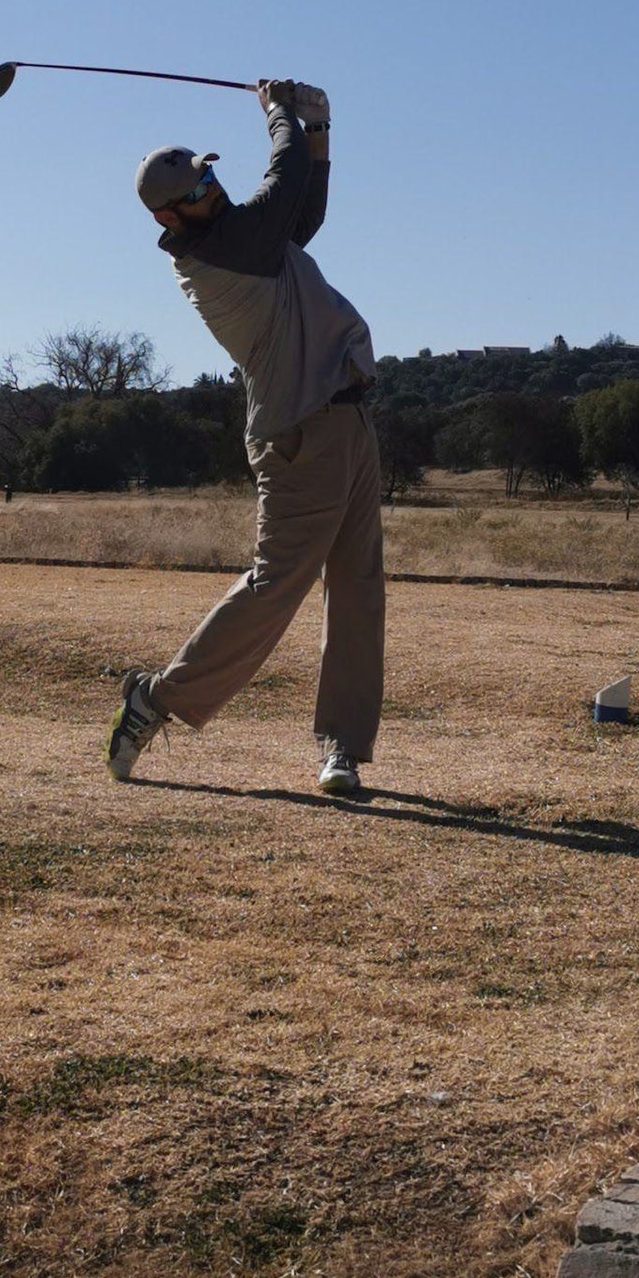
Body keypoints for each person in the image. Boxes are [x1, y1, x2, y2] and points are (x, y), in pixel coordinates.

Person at [106, 79, 385, 796]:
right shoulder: (220, 251)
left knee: (357, 588)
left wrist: (317, 126)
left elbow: (303, 204)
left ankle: (340, 747)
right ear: (171, 213)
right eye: (198, 184)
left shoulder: (248, 237)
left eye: (209, 171)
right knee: (274, 587)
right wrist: (277, 115)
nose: (211, 183)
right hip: (300, 434)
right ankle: (157, 700)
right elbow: (284, 178)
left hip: (345, 418)